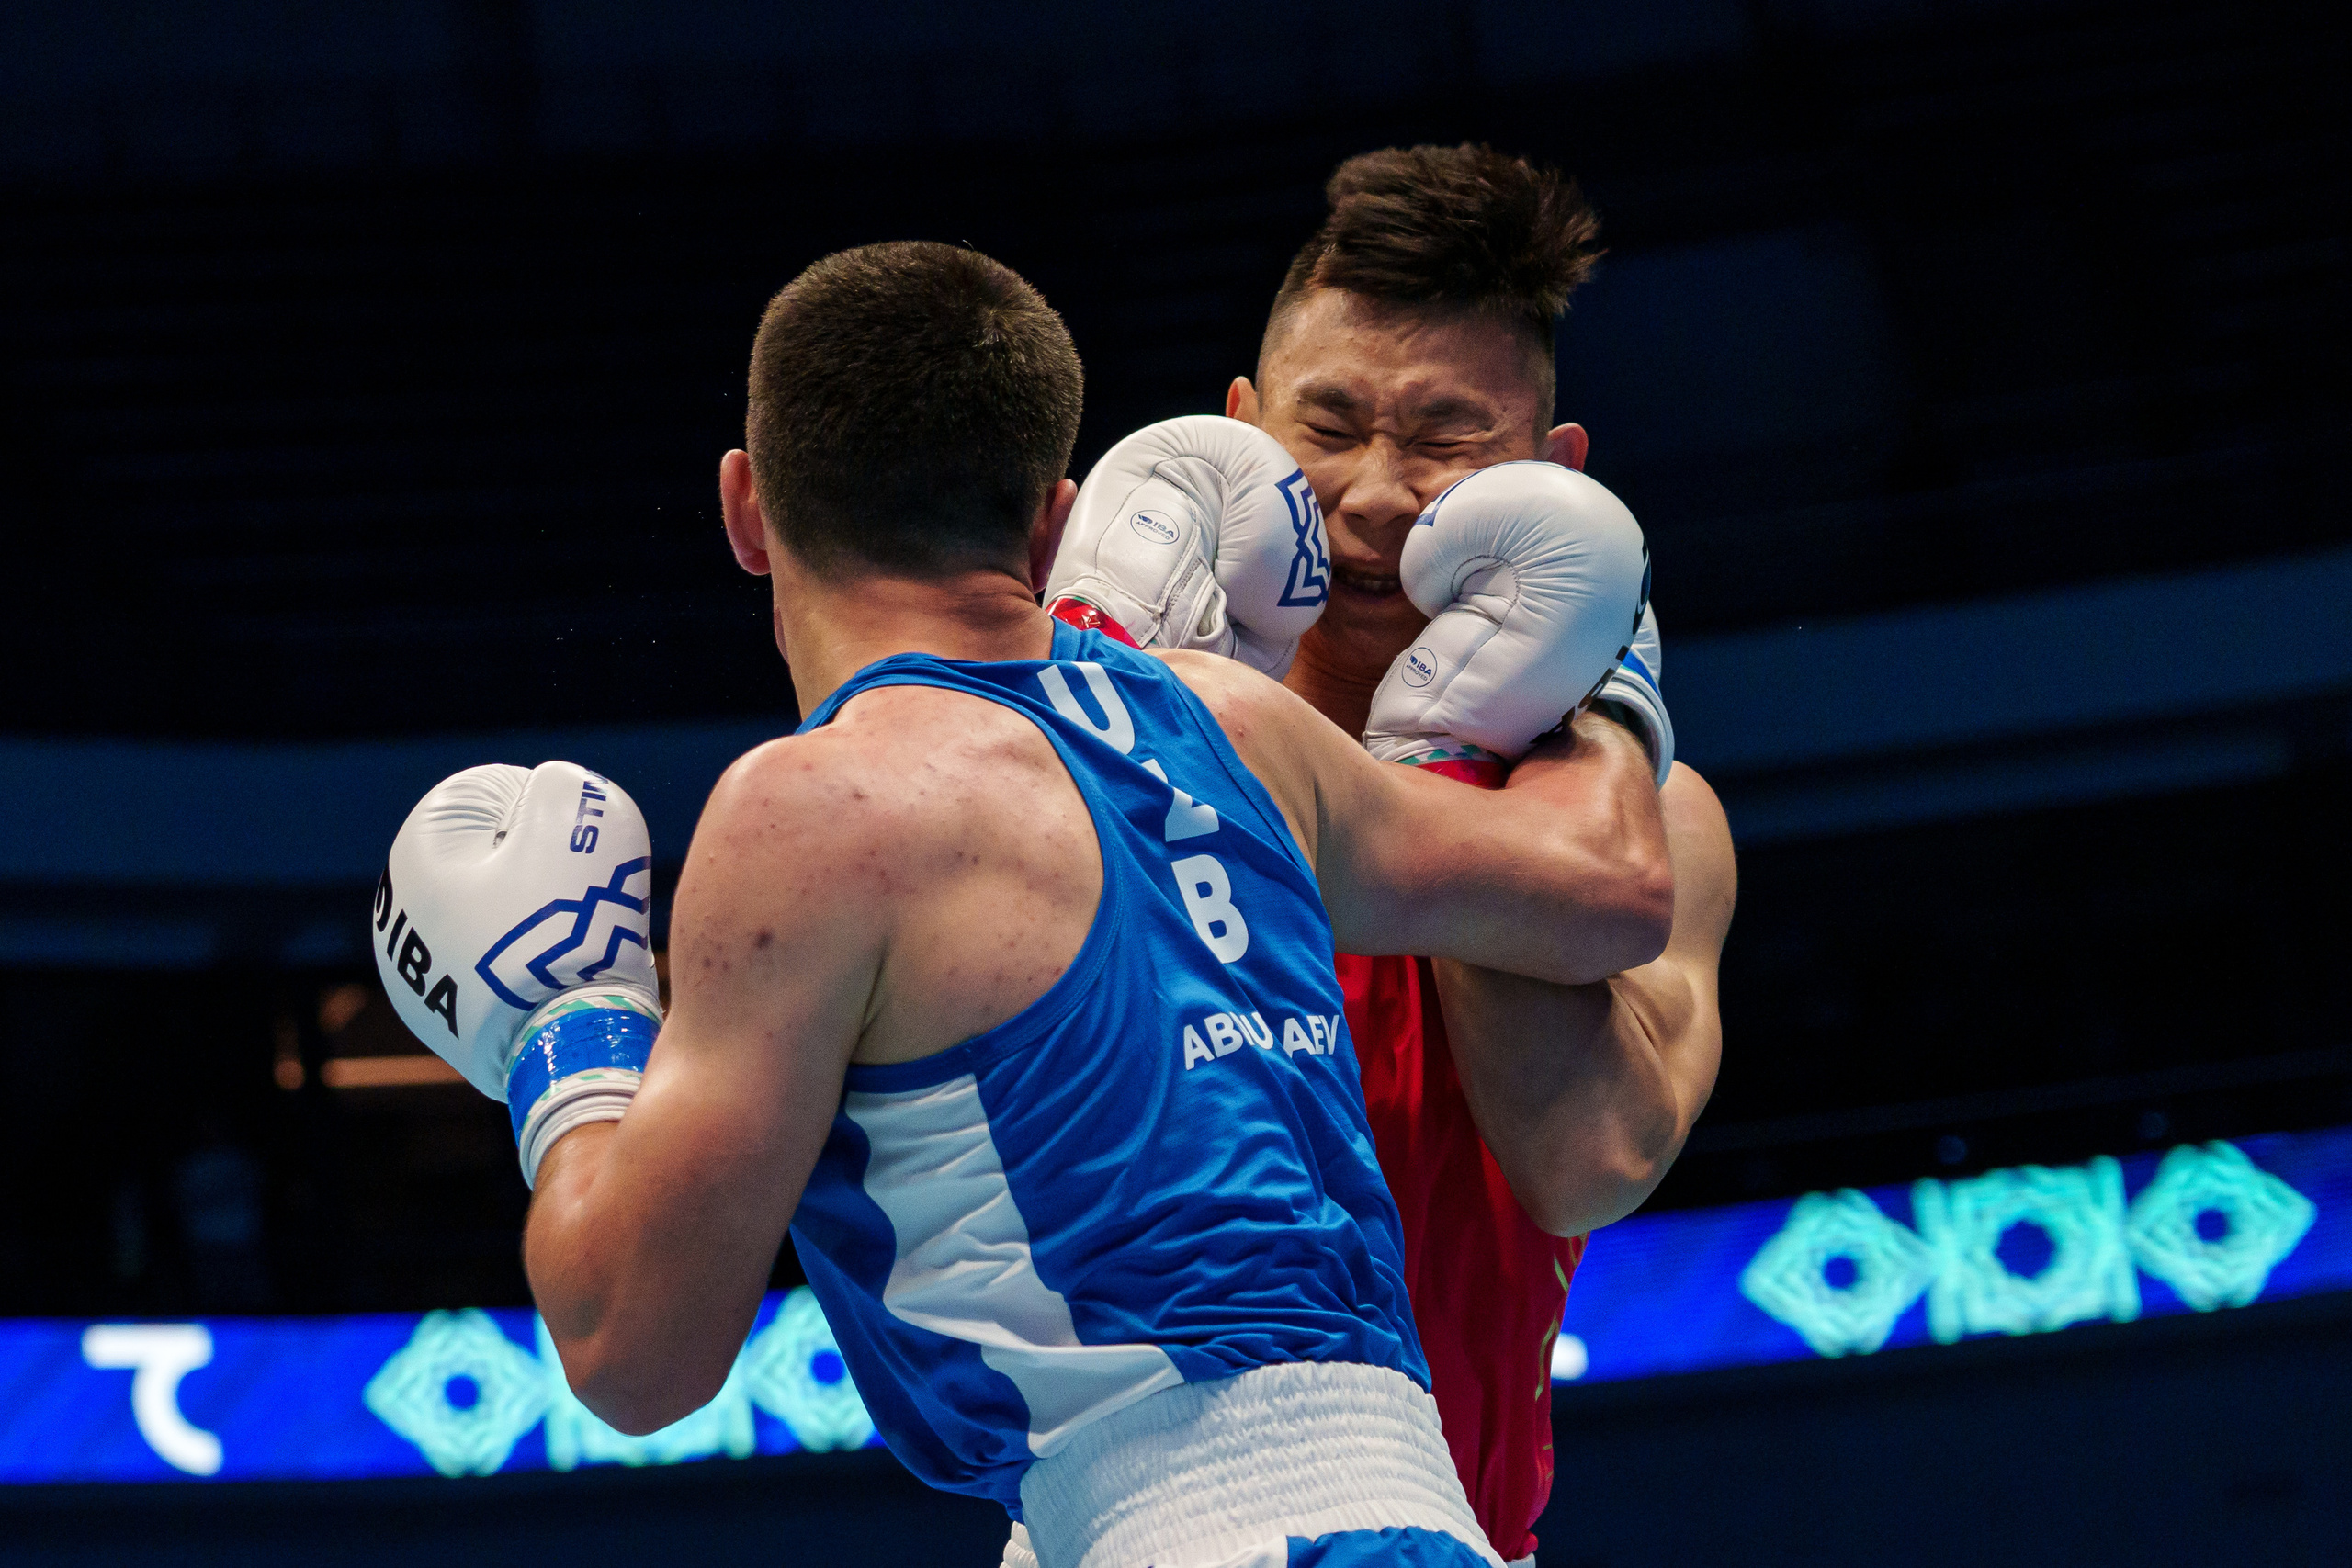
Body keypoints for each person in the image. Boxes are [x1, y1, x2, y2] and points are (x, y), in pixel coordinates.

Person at [372, 240, 1671, 1567]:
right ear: (1052, 519)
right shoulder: (1233, 720)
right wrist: (1606, 670)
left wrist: (568, 1031)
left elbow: (634, 1356)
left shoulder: (811, 812)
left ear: (746, 510)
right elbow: (1605, 894)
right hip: (1415, 1521)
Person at [1047, 145, 1737, 1565]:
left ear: (1555, 485)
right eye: (1331, 423)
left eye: (1442, 440)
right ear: (1234, 433)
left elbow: (1588, 1158)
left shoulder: (1650, 829)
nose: (1372, 495)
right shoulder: (1114, 754)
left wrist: (1454, 750)